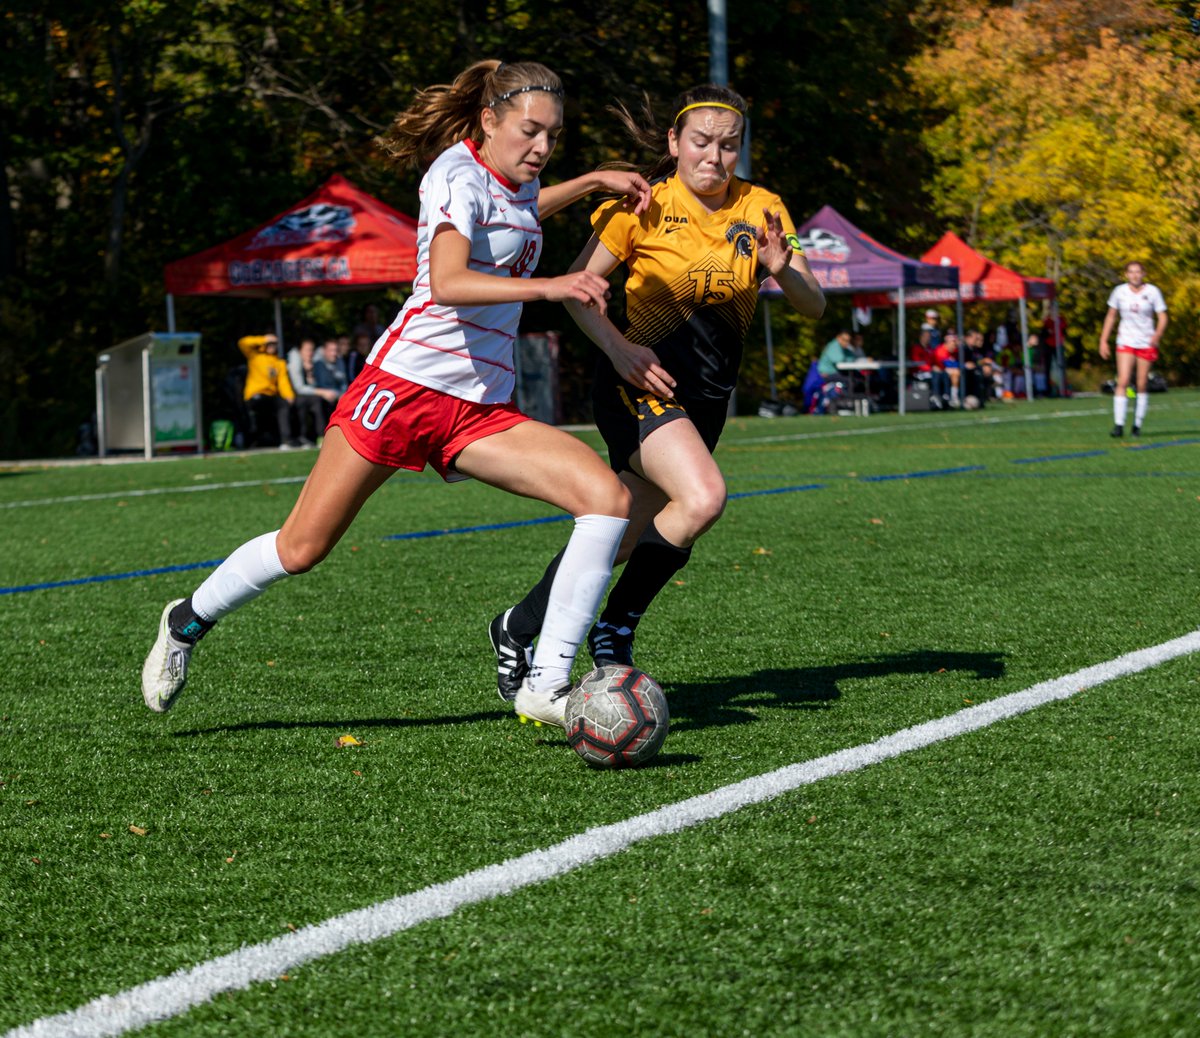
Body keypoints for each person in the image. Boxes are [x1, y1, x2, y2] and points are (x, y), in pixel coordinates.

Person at [142, 59, 653, 729]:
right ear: (488, 120)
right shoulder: (454, 175)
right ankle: (186, 620)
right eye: (531, 132)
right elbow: (447, 280)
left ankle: (547, 682)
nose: (541, 149)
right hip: (403, 390)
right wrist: (551, 286)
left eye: (553, 136)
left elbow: (522, 208)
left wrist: (588, 183)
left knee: (607, 500)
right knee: (302, 548)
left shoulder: (513, 180)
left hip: (476, 411)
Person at [486, 83, 824, 694]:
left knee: (623, 530)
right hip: (635, 386)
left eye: (729, 146)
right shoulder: (643, 204)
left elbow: (814, 304)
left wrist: (781, 271)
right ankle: (613, 630)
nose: (714, 159)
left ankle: (516, 624)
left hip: (706, 403)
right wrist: (620, 351)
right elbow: (577, 290)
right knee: (701, 498)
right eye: (701, 143)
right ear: (674, 142)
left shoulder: (762, 207)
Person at [1099, 261, 1168, 437]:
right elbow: (1111, 316)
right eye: (1131, 272)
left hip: (1146, 342)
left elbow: (1162, 317)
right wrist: (1103, 340)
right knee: (1122, 381)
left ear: (1143, 274)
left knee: (1142, 383)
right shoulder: (1119, 292)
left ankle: (1137, 425)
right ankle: (1118, 425)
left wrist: (1157, 335)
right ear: (1126, 274)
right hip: (1126, 340)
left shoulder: (1152, 292)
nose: (1135, 275)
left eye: (1138, 272)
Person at [239, 331, 298, 448]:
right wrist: (263, 339)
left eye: (274, 343)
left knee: (283, 404)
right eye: (270, 343)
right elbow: (242, 343)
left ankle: (286, 440)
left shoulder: (279, 363)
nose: (272, 346)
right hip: (255, 395)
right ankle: (254, 441)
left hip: (271, 396)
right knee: (263, 406)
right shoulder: (254, 356)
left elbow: (283, 382)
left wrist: (289, 396)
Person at [286, 336, 339, 445]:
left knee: (322, 400)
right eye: (307, 350)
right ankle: (317, 436)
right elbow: (299, 388)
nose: (310, 353)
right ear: (300, 350)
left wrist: (309, 372)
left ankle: (325, 435)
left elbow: (312, 385)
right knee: (316, 400)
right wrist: (323, 392)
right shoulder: (294, 362)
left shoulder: (309, 362)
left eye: (312, 350)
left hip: (305, 396)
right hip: (291, 396)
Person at [314, 337, 350, 407]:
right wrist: (338, 394)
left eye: (336, 350)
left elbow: (343, 383)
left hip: (336, 395)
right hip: (323, 396)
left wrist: (343, 394)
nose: (334, 353)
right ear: (324, 351)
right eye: (331, 350)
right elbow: (323, 385)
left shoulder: (339, 361)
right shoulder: (319, 363)